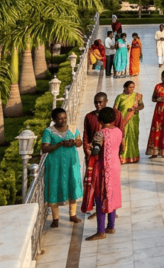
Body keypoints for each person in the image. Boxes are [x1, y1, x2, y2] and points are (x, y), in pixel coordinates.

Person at [82, 93, 124, 217]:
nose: (98, 104)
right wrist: (87, 150)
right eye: (96, 102)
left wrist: (121, 151)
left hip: (103, 161)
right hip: (98, 159)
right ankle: (105, 210)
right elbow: (86, 135)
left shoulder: (114, 117)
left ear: (106, 101)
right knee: (99, 186)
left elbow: (121, 134)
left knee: (102, 186)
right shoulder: (89, 116)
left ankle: (106, 210)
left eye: (100, 102)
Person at [41, 107, 83, 227]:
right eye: (60, 119)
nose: (63, 121)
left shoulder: (73, 128)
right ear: (53, 119)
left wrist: (74, 142)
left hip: (71, 163)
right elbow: (44, 148)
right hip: (55, 165)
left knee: (72, 185)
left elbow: (79, 142)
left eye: (65, 118)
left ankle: (73, 215)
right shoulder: (48, 131)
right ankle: (55, 219)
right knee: (55, 186)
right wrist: (59, 144)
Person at [85, 107, 123, 241]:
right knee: (112, 194)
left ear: (100, 119)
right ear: (114, 119)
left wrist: (90, 150)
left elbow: (95, 152)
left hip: (102, 168)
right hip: (115, 166)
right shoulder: (118, 131)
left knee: (101, 197)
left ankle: (101, 231)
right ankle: (111, 226)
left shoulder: (99, 134)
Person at [113, 81, 144, 164]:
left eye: (133, 87)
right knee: (123, 137)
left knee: (133, 136)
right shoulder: (120, 97)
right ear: (125, 87)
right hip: (123, 120)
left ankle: (133, 156)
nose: (132, 89)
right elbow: (115, 109)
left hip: (133, 120)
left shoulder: (137, 96)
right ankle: (122, 156)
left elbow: (141, 105)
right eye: (130, 87)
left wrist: (135, 108)